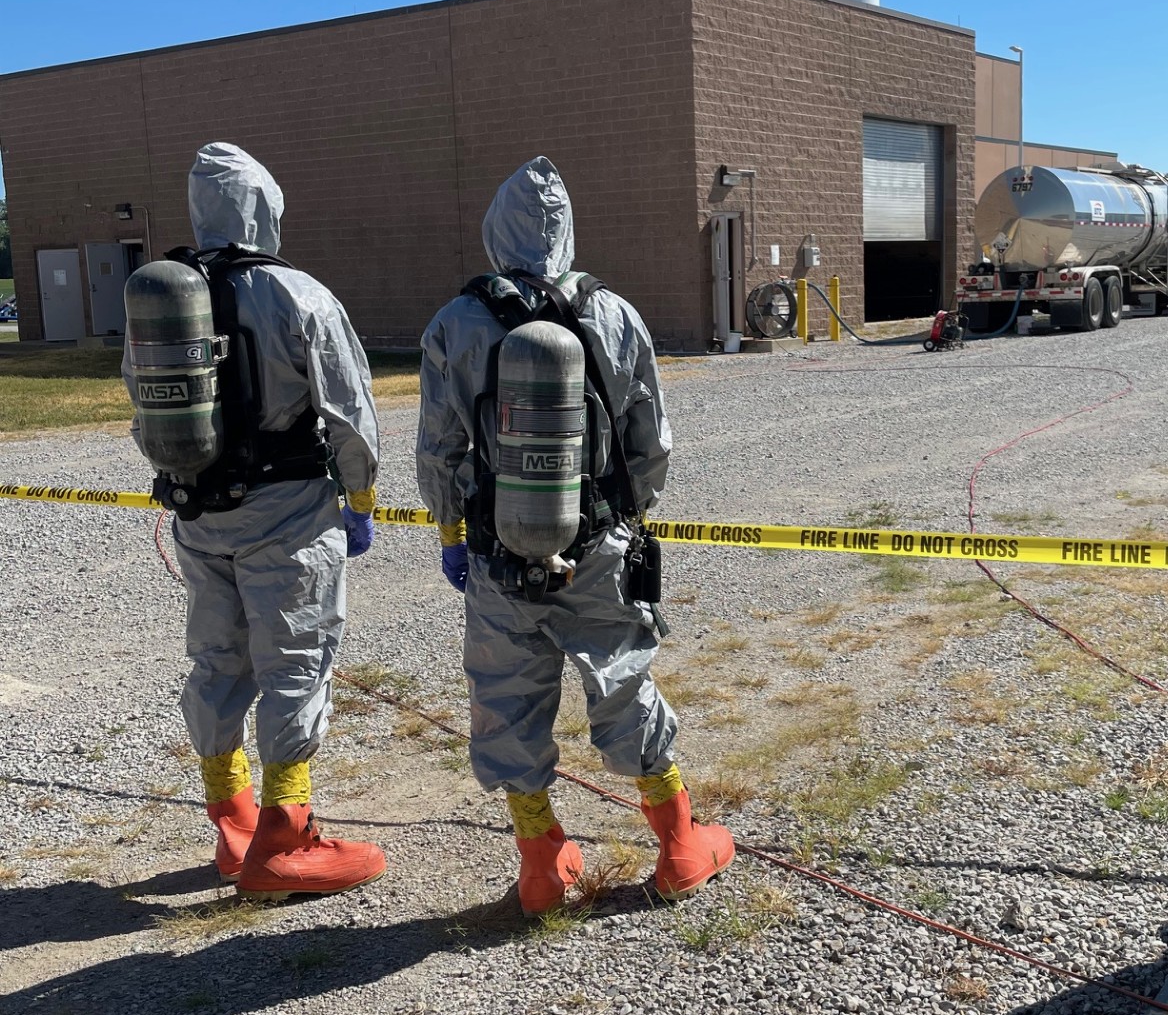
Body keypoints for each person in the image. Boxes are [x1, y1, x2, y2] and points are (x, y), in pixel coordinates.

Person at [415, 155, 734, 916]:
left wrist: (453, 532)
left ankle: (540, 866)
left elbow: (439, 450)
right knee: (624, 682)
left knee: (505, 700)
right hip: (596, 546)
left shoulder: (455, 323)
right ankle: (681, 847)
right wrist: (628, 517)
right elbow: (651, 442)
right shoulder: (614, 315)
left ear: (496, 233)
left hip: (497, 554)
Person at [124, 143, 386, 896]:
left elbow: (145, 407)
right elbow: (353, 418)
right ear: (265, 208)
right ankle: (283, 841)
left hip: (199, 515)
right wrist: (359, 503)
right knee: (296, 665)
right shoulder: (299, 294)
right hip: (290, 517)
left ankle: (231, 823)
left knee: (216, 663)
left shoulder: (168, 297)